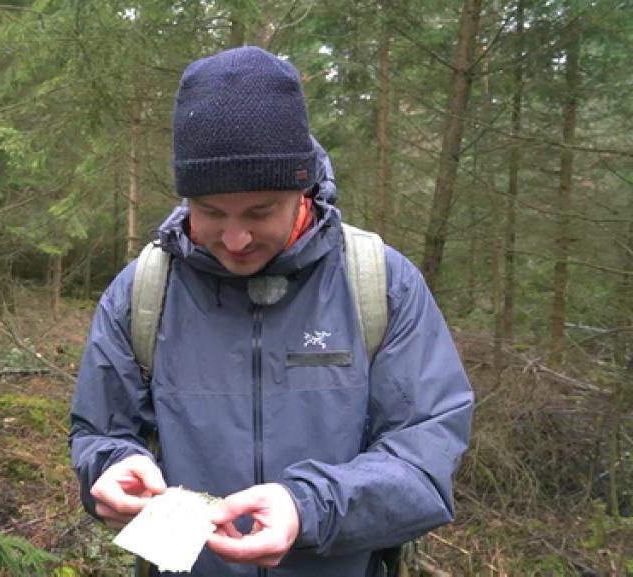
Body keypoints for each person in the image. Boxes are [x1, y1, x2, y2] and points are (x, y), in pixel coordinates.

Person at [69, 46, 473, 576]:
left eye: (260, 212)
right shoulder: (144, 291)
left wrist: (306, 508)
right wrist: (112, 466)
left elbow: (424, 461)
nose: (235, 238)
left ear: (302, 189)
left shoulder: (380, 284)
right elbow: (98, 433)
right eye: (211, 213)